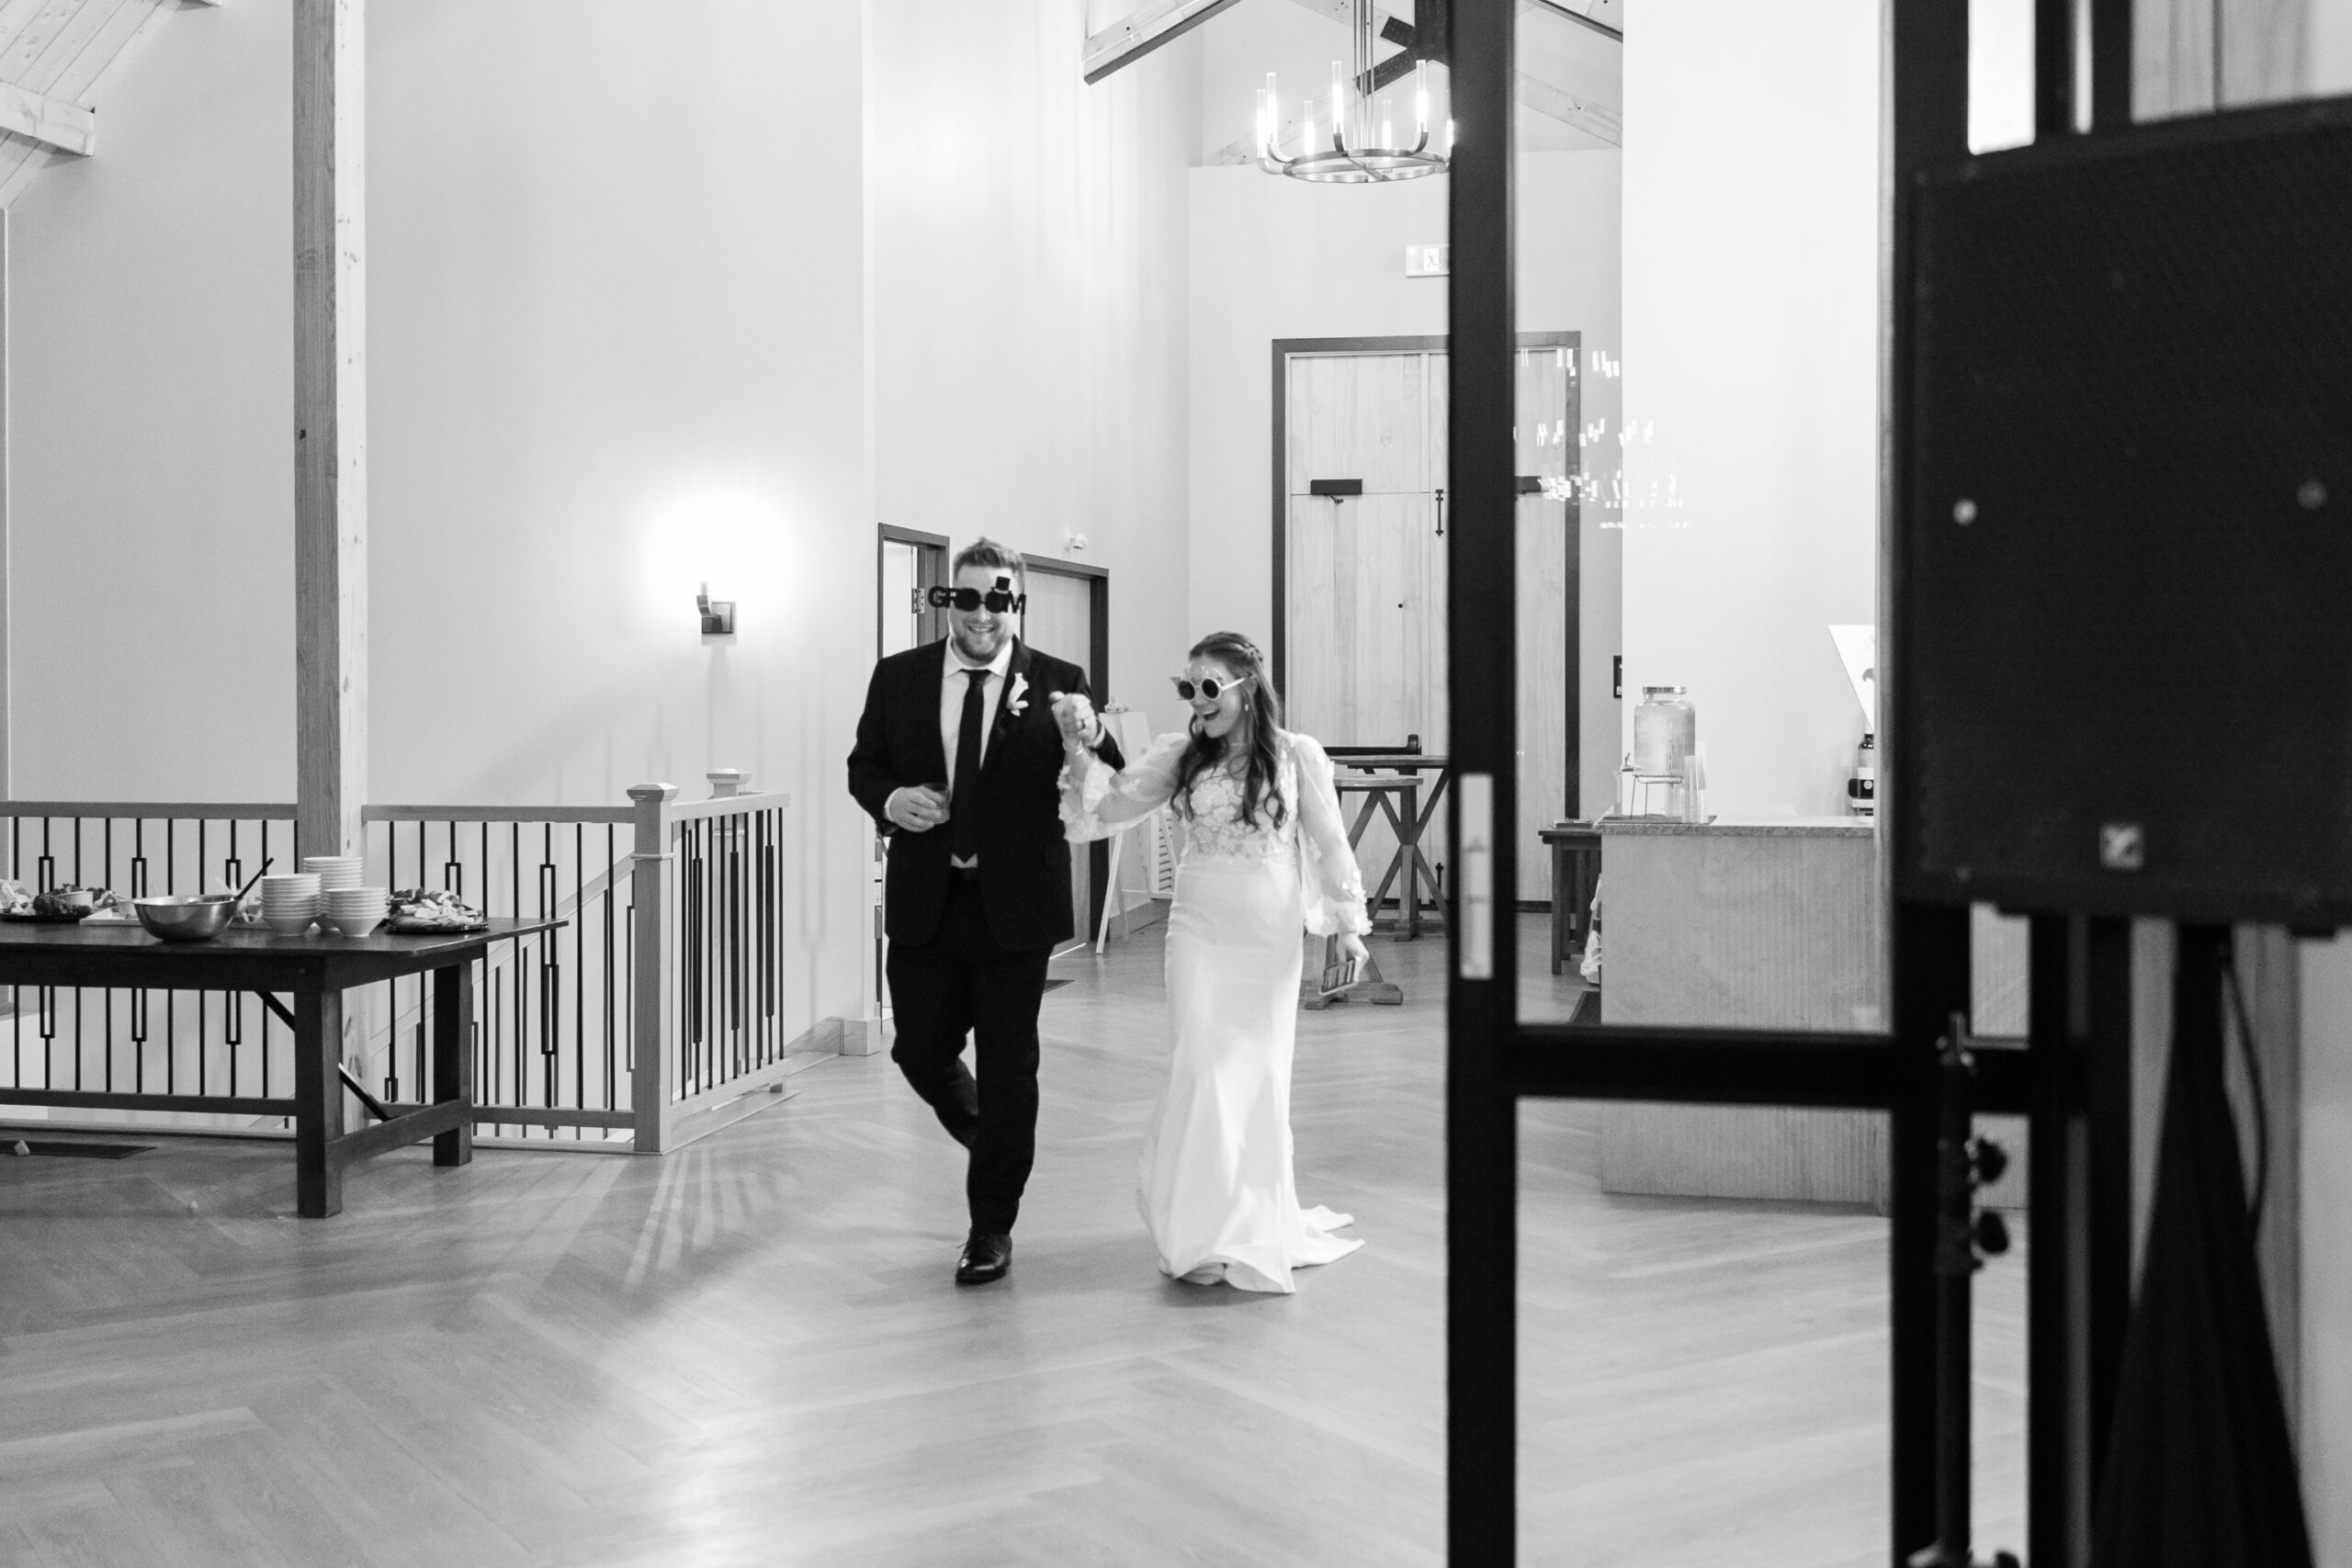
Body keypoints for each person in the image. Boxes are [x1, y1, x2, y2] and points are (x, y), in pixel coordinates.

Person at [1053, 632, 1371, 1293]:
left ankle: (1248, 1222)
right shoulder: (1181, 755)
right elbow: (1110, 806)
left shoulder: (1295, 755)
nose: (1197, 702)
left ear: (1246, 688)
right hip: (1198, 930)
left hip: (1268, 938)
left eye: (1209, 687)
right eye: (1187, 688)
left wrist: (1347, 925)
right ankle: (1198, 1233)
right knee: (1200, 1069)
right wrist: (1078, 750)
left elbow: (1328, 840)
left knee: (1257, 1078)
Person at [847, 538, 1122, 1285]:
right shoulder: (899, 677)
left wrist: (1091, 735)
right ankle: (995, 1141)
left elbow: (1108, 773)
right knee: (918, 1049)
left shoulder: (1060, 681)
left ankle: (991, 1224)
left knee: (1009, 1066)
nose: (980, 613)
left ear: (1016, 602)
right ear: (946, 599)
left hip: (1016, 908)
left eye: (997, 599)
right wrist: (891, 800)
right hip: (926, 902)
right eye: (965, 597)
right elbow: (864, 764)